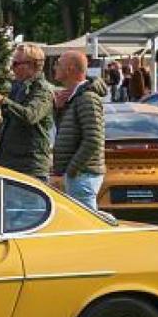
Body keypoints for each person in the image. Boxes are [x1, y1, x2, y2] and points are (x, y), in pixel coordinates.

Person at [0, 44, 54, 181]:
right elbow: (15, 120)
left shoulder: (43, 90)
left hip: (29, 167)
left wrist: (0, 99)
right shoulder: (18, 86)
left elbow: (30, 116)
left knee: (27, 203)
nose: (12, 67)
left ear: (31, 65)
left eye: (16, 63)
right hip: (9, 163)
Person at [52, 51, 106, 210]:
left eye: (58, 64)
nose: (55, 67)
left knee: (88, 226)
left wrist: (71, 171)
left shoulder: (87, 97)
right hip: (79, 174)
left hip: (83, 175)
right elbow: (68, 132)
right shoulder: (76, 97)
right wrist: (59, 110)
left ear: (69, 69)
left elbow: (94, 139)